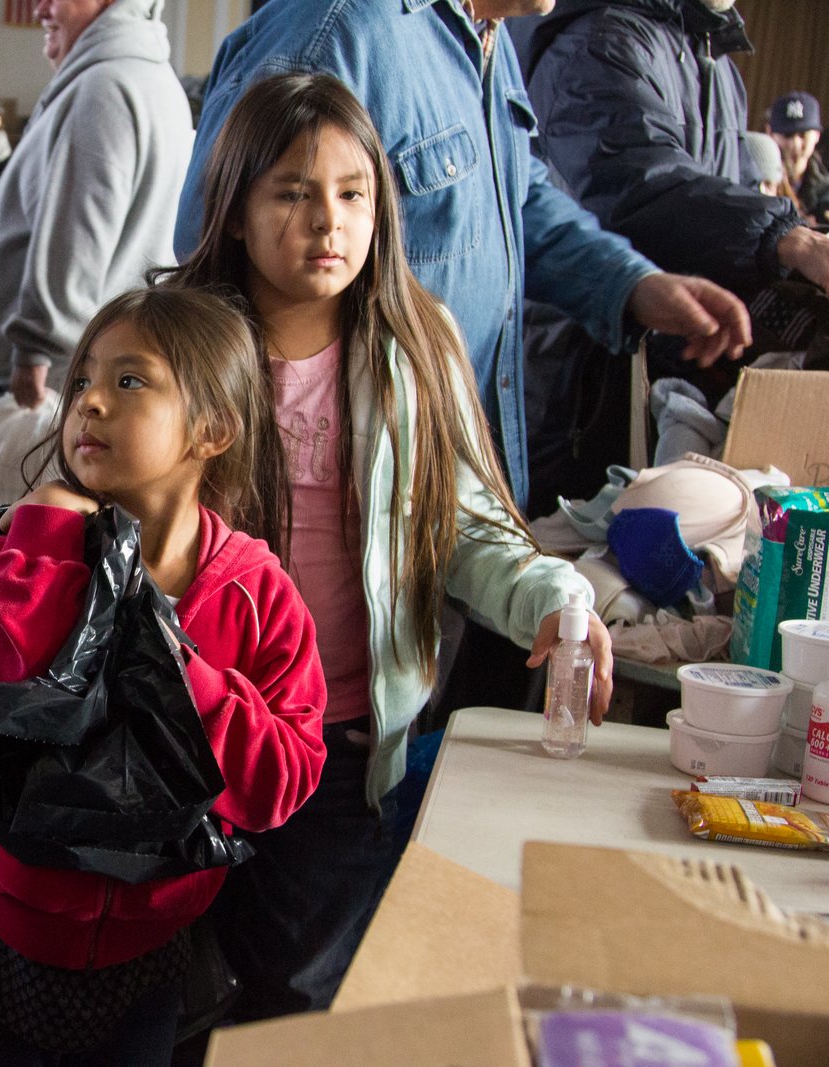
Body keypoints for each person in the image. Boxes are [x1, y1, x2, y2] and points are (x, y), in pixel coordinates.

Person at [163, 72, 616, 1020]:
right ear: (234, 209)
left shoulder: (415, 346)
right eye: (291, 192)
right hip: (184, 732)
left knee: (295, 996)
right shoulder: (179, 346)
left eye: (352, 193)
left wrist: (552, 596)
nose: (327, 219)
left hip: (340, 746)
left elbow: (469, 529)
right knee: (160, 982)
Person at [0, 286, 327, 1064]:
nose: (91, 404)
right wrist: (45, 533)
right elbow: (5, 671)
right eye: (83, 382)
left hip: (147, 957)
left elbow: (282, 777)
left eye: (130, 381)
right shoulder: (31, 543)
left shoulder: (257, 594)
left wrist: (175, 670)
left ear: (213, 429)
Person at [175, 0, 751, 512]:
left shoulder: (484, 34)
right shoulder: (339, 28)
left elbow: (517, 198)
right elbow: (211, 241)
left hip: (452, 498)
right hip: (347, 515)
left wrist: (632, 286)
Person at [0, 0, 193, 411]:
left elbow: (77, 233)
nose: (39, 10)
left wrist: (36, 349)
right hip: (92, 367)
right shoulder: (144, 75)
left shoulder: (105, 87)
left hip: (57, 380)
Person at [525, 0, 829, 303]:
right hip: (597, 336)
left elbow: (739, 190)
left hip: (687, 332)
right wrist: (788, 239)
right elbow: (639, 187)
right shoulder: (600, 40)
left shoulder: (720, 64)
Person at [768, 91, 829, 225]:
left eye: (803, 135)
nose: (795, 144)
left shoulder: (825, 190)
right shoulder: (754, 179)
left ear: (817, 135)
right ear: (770, 133)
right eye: (787, 135)